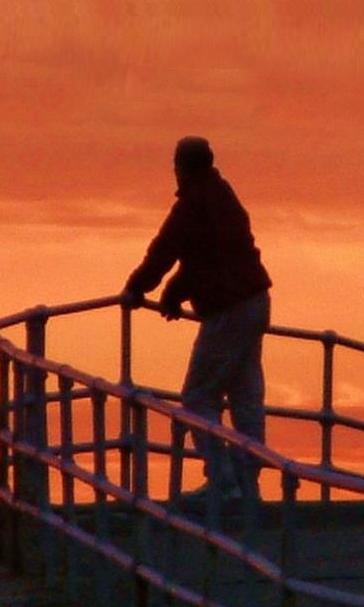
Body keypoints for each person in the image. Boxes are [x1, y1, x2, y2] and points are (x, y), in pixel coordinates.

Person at [124, 135, 273, 507]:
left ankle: (224, 482)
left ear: (181, 168)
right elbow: (205, 256)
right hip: (255, 301)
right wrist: (175, 291)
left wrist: (136, 288)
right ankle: (246, 481)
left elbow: (166, 251)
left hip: (228, 309)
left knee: (196, 398)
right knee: (245, 396)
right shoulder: (224, 195)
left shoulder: (192, 205)